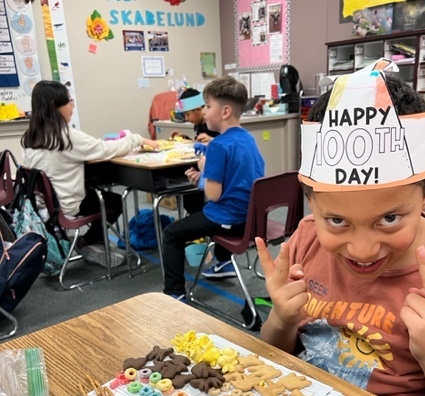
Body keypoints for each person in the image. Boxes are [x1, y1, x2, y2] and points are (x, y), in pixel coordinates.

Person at [256, 60, 425, 396]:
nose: (361, 250)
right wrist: (282, 319)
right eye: (337, 221)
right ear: (309, 198)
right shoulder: (306, 239)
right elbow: (272, 354)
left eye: (389, 218)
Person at [21, 80, 159, 267]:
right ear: (55, 105)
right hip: (67, 206)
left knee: (97, 192)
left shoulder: (31, 137)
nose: (72, 106)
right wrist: (137, 139)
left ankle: (93, 242)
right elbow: (106, 149)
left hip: (44, 207)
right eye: (69, 101)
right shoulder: (66, 136)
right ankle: (90, 242)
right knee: (114, 202)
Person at [163, 75, 265, 298]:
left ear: (225, 111)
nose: (205, 111)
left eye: (208, 106)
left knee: (172, 233)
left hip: (229, 220)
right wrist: (201, 178)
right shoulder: (248, 139)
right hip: (250, 218)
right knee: (209, 214)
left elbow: (213, 195)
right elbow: (238, 180)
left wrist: (205, 170)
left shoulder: (218, 145)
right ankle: (224, 262)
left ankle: (174, 293)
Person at [170, 87, 220, 215]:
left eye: (187, 114)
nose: (186, 118)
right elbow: (199, 143)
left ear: (198, 110)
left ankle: (199, 214)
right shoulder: (198, 124)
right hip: (200, 164)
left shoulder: (214, 124)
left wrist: (211, 140)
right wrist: (185, 138)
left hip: (213, 169)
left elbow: (226, 143)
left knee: (192, 194)